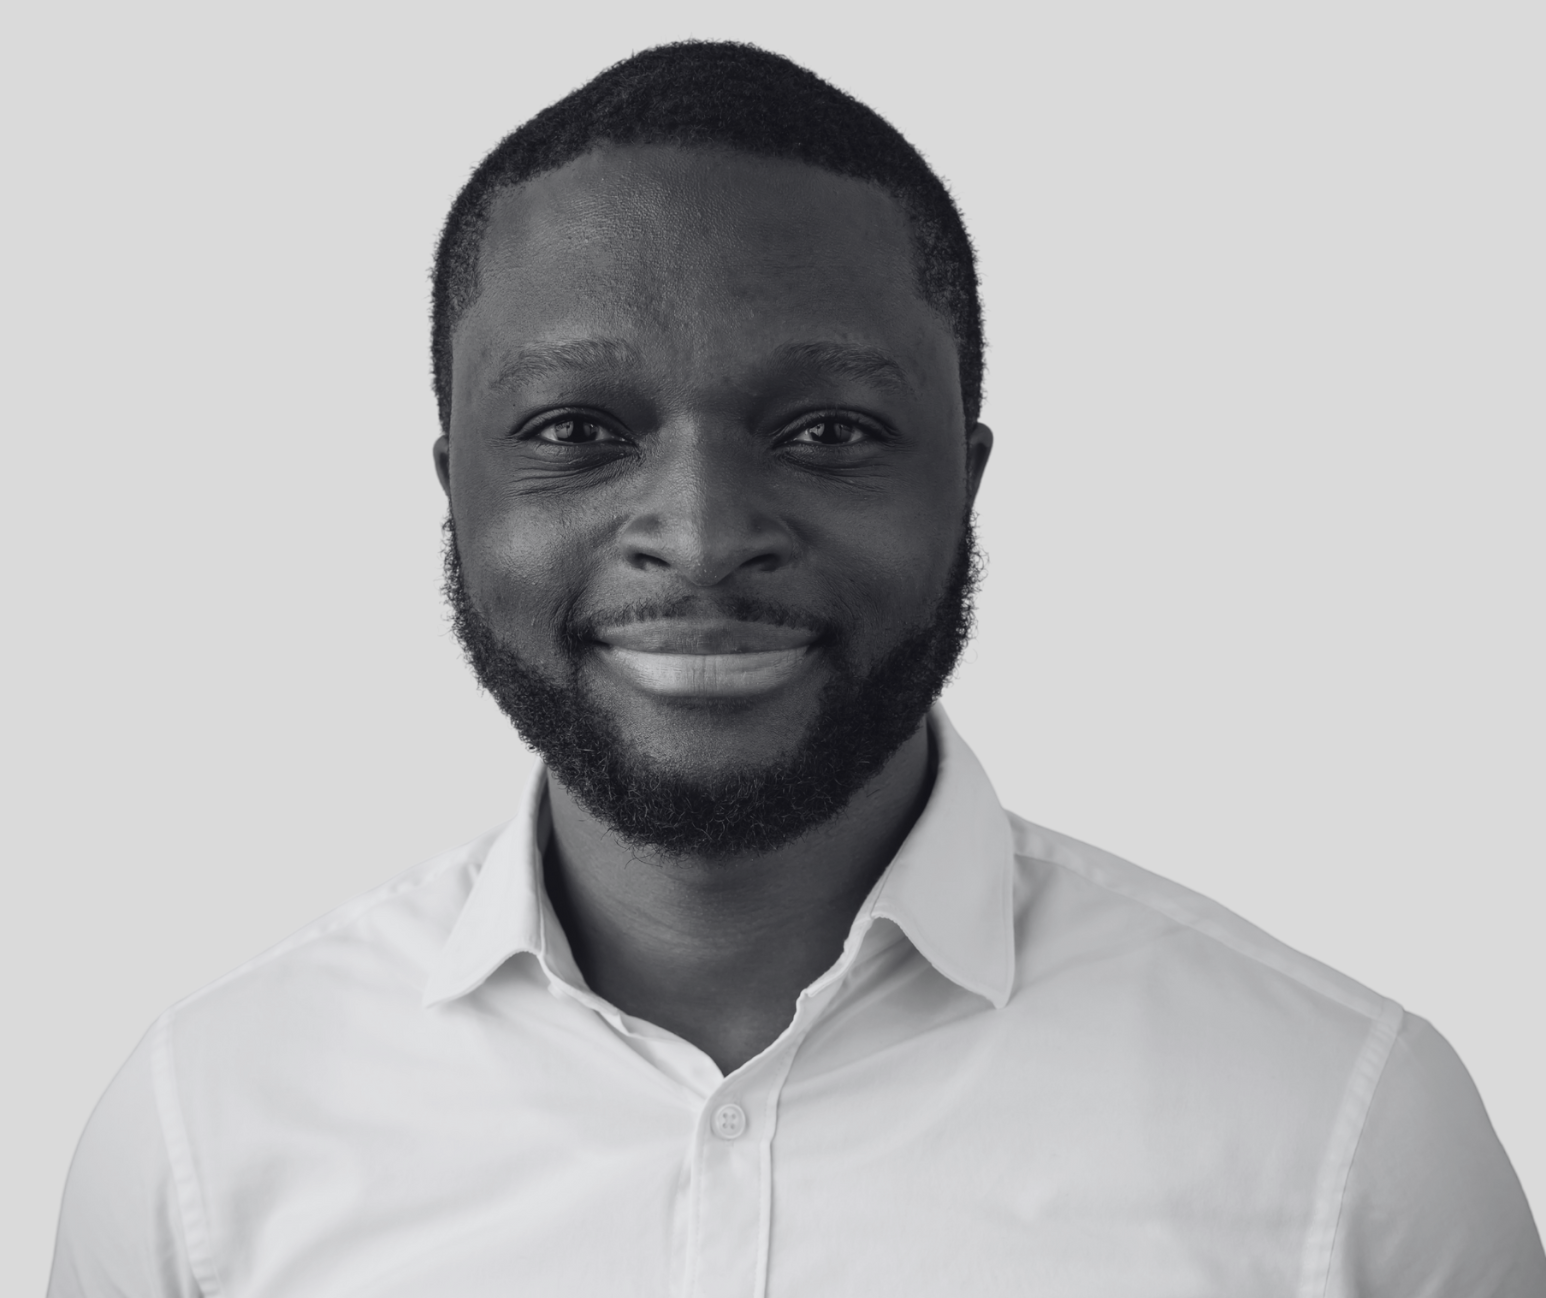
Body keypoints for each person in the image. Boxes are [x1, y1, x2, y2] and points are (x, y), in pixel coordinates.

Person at [48, 40, 1544, 1298]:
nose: (702, 538)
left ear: (965, 480)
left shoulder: (1344, 1139)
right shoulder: (204, 1136)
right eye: (576, 431)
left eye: (828, 431)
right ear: (457, 490)